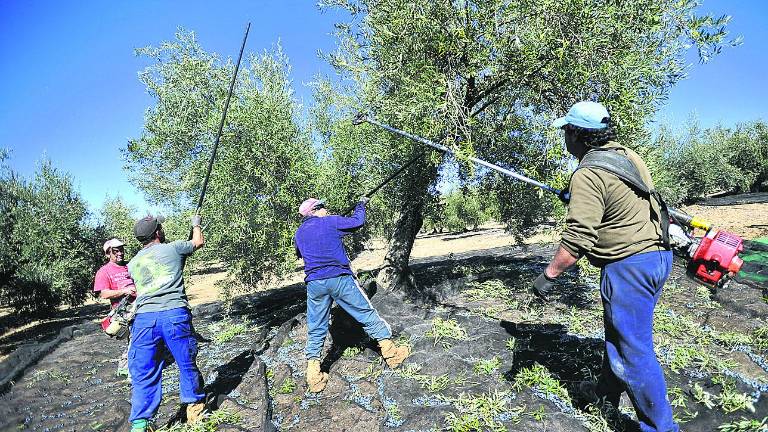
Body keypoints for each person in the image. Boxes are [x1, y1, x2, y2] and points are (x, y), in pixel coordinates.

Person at [532, 101, 678, 432]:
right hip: (657, 258)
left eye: (566, 132)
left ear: (577, 135)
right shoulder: (626, 155)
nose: (564, 139)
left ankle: (662, 429)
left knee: (635, 354)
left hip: (629, 267)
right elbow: (623, 198)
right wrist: (581, 198)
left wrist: (547, 276)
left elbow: (578, 240)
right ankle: (603, 394)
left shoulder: (588, 173)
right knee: (618, 335)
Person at [294, 197, 410, 393]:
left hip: (315, 284)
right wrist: (361, 205)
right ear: (316, 210)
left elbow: (300, 253)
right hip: (339, 279)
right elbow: (357, 222)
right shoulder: (330, 221)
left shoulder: (299, 233)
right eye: (323, 207)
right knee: (366, 313)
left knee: (315, 326)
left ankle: (314, 375)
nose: (327, 209)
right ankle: (392, 355)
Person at [127, 214, 206, 432]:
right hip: (173, 314)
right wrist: (196, 224)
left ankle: (140, 424)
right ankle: (194, 410)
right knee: (185, 363)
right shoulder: (173, 248)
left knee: (144, 370)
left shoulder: (133, 263)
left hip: (143, 320)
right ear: (158, 233)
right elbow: (197, 242)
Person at [94, 238, 136, 377]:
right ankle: (131, 373)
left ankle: (125, 368)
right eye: (116, 251)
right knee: (135, 341)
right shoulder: (104, 272)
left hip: (141, 307)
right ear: (107, 254)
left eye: (121, 250)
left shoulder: (130, 266)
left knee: (137, 340)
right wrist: (124, 291)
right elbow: (104, 294)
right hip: (125, 313)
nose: (120, 253)